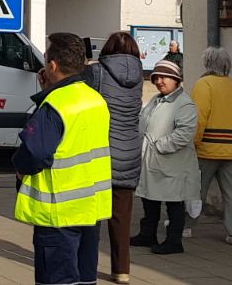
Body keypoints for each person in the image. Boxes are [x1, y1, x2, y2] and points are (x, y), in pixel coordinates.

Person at [13, 32, 113, 285]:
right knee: (85, 278)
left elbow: (34, 152)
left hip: (58, 211)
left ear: (53, 65)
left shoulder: (56, 104)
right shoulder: (96, 99)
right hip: (90, 207)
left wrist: (20, 169)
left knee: (57, 279)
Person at [83, 32, 144, 284]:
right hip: (129, 150)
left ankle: (87, 266)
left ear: (106, 50)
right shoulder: (139, 75)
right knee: (121, 217)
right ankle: (121, 271)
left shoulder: (97, 72)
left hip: (102, 150)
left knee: (93, 215)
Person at [132, 59, 200, 255]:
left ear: (176, 80)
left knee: (174, 202)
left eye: (165, 77)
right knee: (149, 199)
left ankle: (173, 241)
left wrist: (159, 146)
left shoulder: (184, 104)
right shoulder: (155, 100)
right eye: (156, 78)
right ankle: (147, 235)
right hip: (153, 162)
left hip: (172, 164)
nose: (160, 81)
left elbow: (184, 133)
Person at [191, 46, 232, 247]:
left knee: (196, 189)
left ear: (207, 63)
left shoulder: (203, 84)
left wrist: (193, 143)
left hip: (208, 147)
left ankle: (186, 226)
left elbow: (198, 117)